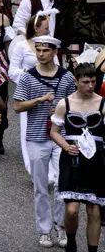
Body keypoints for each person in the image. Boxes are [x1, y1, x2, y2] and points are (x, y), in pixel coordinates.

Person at [17, 33, 75, 247]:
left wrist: (61, 110)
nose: (40, 54)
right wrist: (39, 100)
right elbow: (17, 106)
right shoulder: (27, 77)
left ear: (54, 52)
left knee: (62, 183)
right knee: (40, 187)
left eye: (45, 51)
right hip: (36, 137)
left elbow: (74, 105)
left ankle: (60, 226)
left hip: (61, 136)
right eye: (38, 50)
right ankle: (44, 230)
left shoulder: (67, 77)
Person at [51, 55, 105, 252]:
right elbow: (54, 132)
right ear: (76, 81)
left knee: (94, 209)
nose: (90, 85)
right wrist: (66, 146)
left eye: (93, 81)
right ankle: (71, 242)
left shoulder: (103, 103)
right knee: (72, 210)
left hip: (96, 160)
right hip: (71, 158)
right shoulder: (65, 104)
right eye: (85, 82)